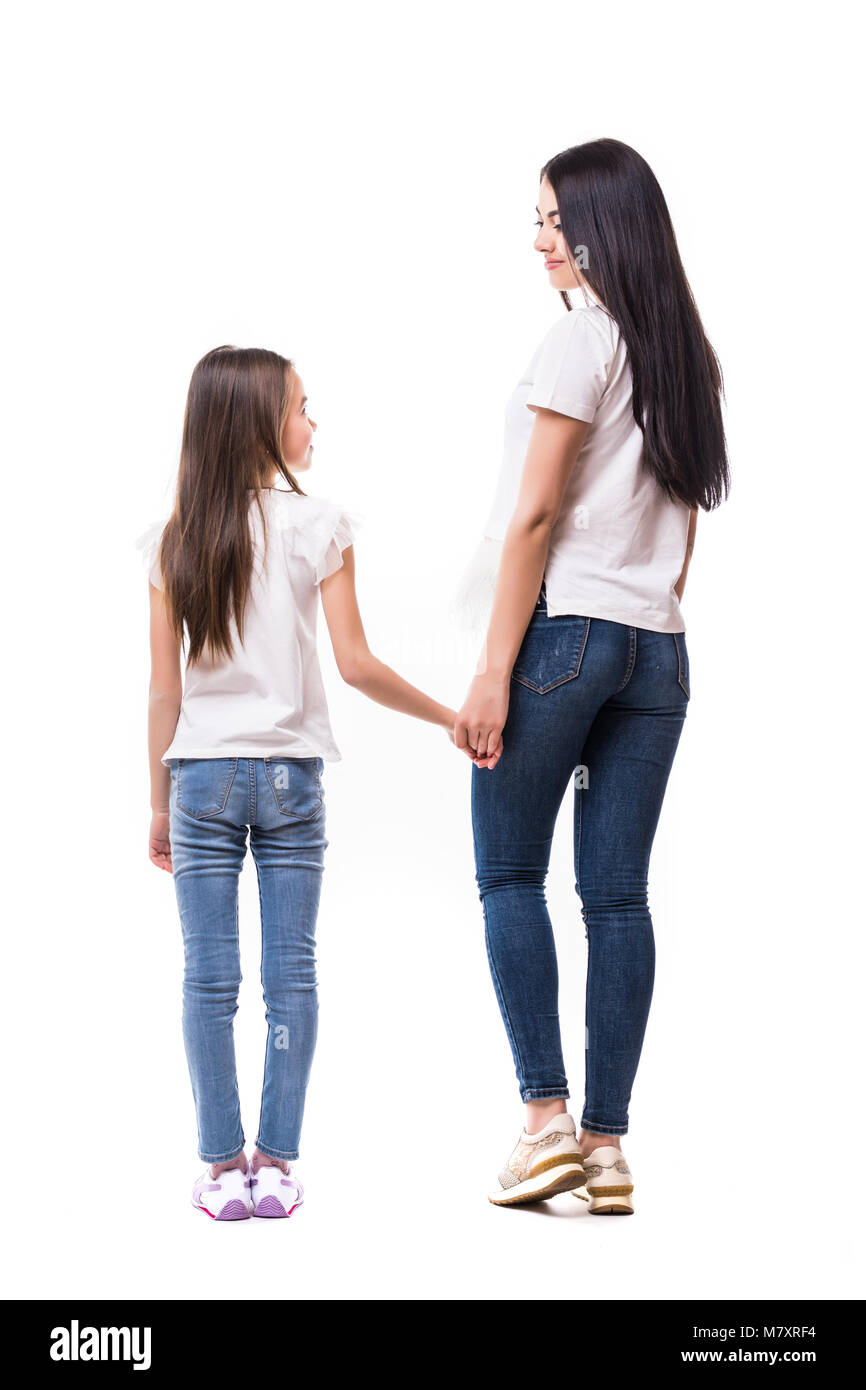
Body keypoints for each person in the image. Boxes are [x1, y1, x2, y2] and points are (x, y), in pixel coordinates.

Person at [452, 138, 729, 1212]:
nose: (537, 242)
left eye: (550, 222)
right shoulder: (683, 359)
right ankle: (606, 1152)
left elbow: (533, 514)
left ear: (600, 226)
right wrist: (645, 616)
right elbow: (685, 520)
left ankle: (544, 1125)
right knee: (615, 897)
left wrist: (491, 667)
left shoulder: (580, 343)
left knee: (508, 875)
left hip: (563, 635)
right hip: (657, 646)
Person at [144, 345, 463, 1219]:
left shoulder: (176, 540)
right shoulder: (319, 525)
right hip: (290, 779)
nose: (312, 423)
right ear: (259, 425)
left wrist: (156, 802)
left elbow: (165, 691)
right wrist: (449, 716)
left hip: (200, 778)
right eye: (301, 408)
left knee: (208, 982)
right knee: (292, 977)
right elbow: (355, 666)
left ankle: (219, 1170)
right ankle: (275, 1165)